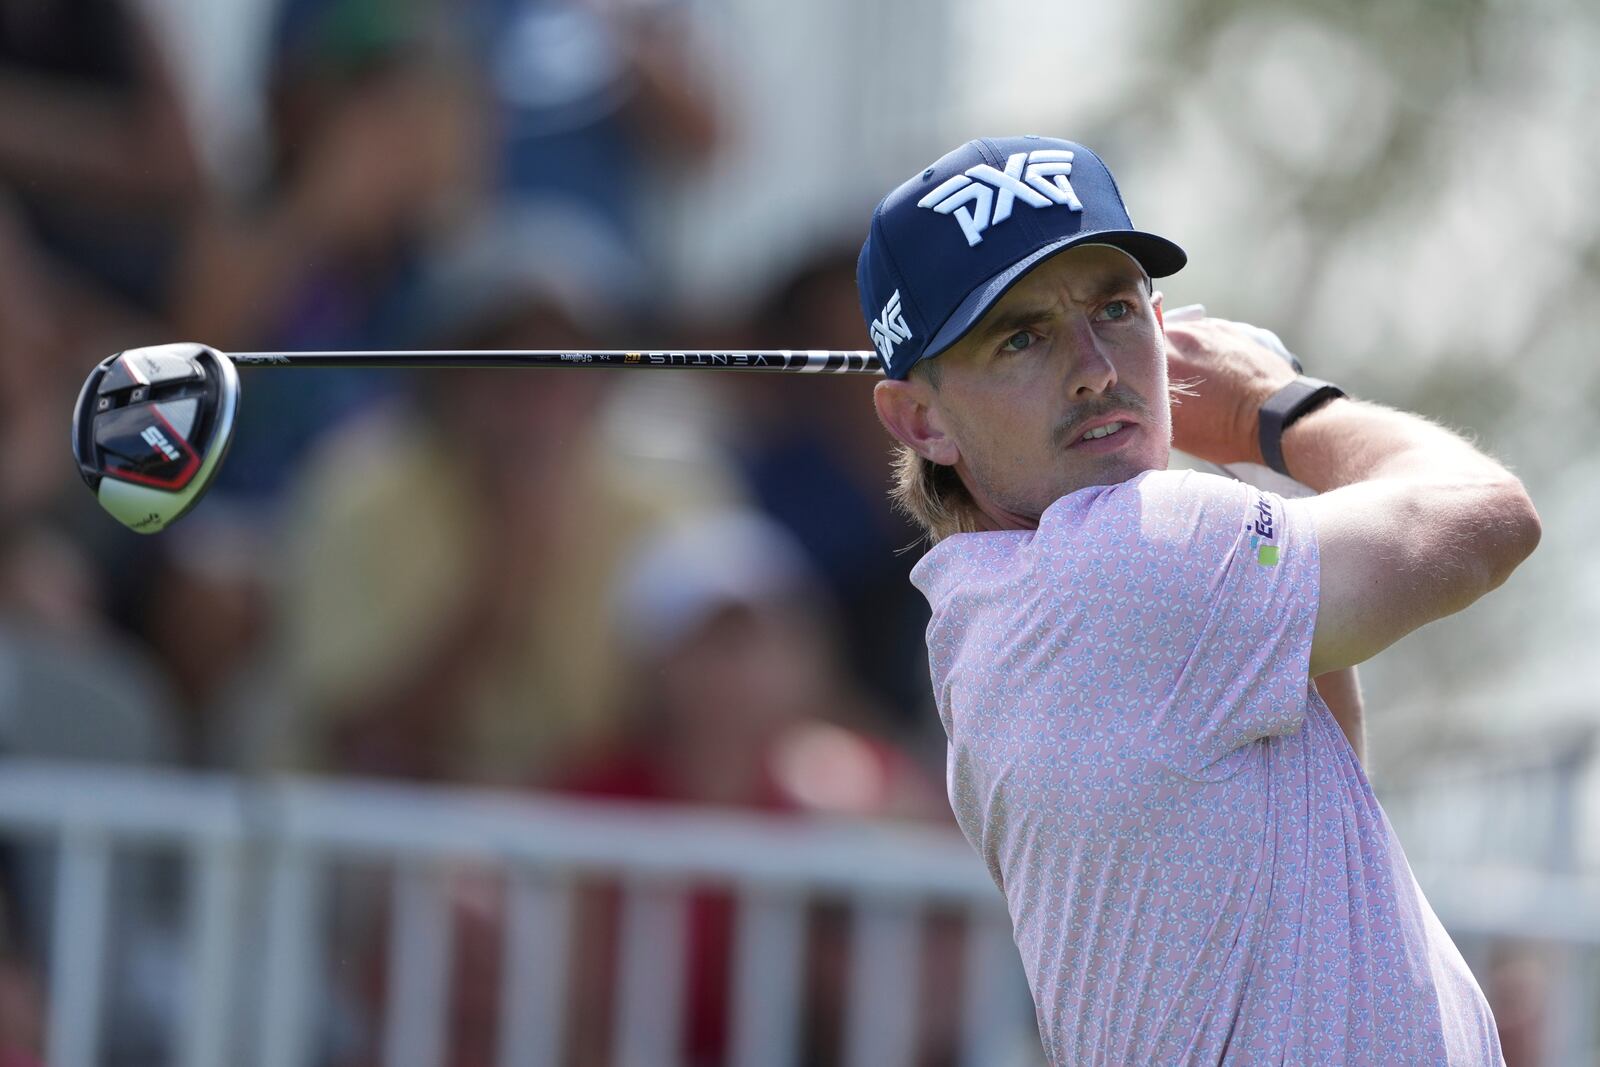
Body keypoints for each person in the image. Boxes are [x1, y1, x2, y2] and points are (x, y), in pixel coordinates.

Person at [859, 136, 1540, 1064]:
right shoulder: (1135, 563)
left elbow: (1324, 752)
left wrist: (1226, 445)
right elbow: (1486, 518)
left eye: (1114, 309)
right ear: (920, 419)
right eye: (1022, 336)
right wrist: (1276, 405)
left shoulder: (999, 612)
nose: (1097, 368)